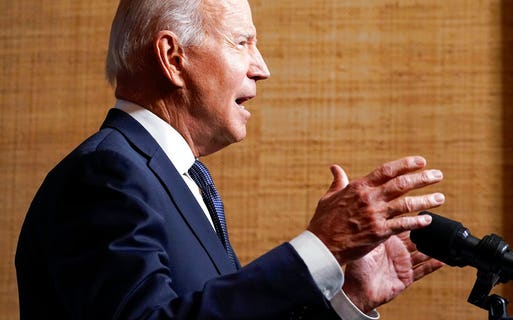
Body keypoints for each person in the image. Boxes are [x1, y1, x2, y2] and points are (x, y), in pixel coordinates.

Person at [15, 0, 446, 319]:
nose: (262, 68)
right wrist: (322, 247)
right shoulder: (106, 174)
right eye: (242, 42)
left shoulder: (180, 178)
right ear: (173, 58)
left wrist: (346, 297)